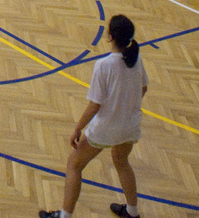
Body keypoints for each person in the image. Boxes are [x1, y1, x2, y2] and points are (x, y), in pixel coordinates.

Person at [39, 15, 149, 218]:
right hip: (130, 126)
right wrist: (125, 107)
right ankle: (132, 212)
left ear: (110, 36)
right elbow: (143, 88)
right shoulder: (136, 60)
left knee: (74, 164)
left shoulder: (104, 65)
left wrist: (77, 128)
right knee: (121, 161)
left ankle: (64, 216)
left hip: (106, 128)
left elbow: (94, 105)